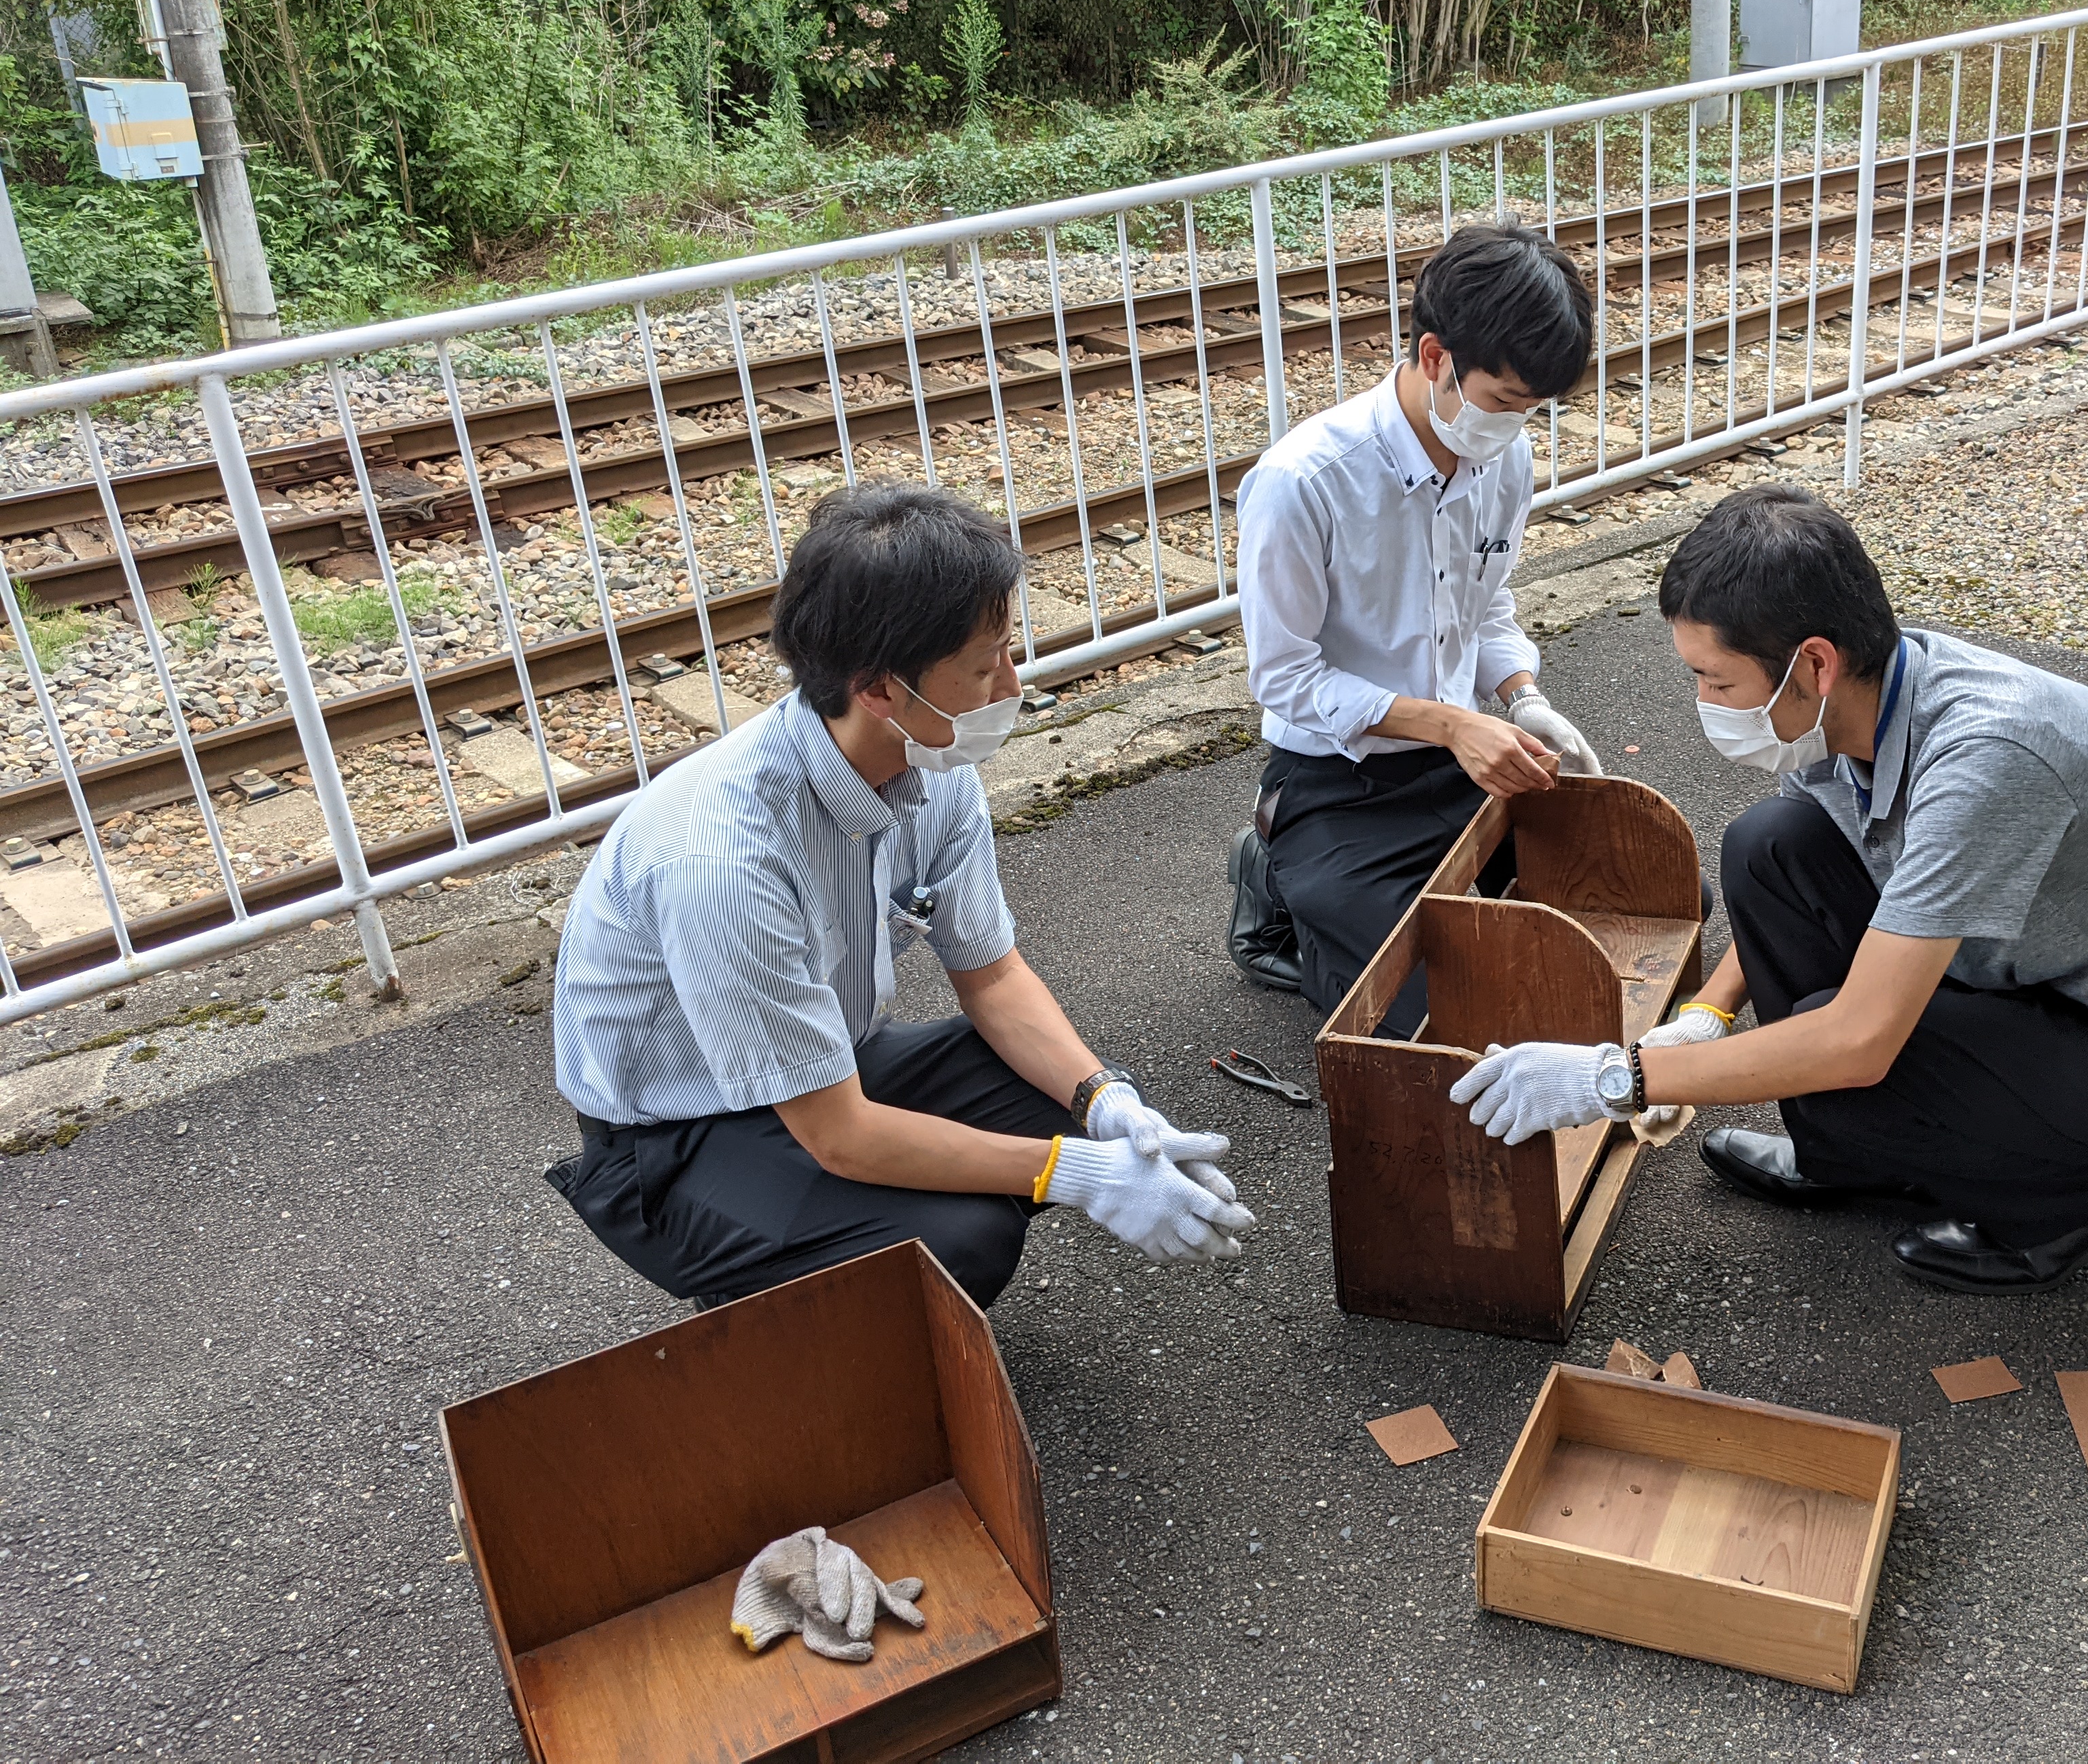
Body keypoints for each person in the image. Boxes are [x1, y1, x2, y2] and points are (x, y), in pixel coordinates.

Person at [1446, 484, 2088, 1294]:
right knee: (1771, 847)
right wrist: (1705, 1016)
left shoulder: (1990, 759)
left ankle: (2085, 1204)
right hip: (2033, 972)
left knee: (1841, 1046)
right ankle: (1865, 1154)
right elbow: (1801, 869)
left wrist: (1616, 1079)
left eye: (1718, 680)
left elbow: (1859, 1039)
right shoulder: (1871, 694)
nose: (1703, 702)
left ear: (1814, 663)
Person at [544, 483, 1254, 1312]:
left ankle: (846, 1257)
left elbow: (991, 976)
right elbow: (838, 1135)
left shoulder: (930, 766)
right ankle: (773, 1324)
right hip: (675, 1139)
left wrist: (1109, 1107)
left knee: (1055, 1103)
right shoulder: (721, 858)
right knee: (956, 1244)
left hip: (823, 1069)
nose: (1009, 686)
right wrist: (1078, 1178)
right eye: (985, 665)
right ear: (881, 690)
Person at [1226, 222, 1610, 1029]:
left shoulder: (1503, 456)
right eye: (1504, 401)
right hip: (1341, 783)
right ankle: (1277, 875)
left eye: (1534, 408)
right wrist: (1453, 726)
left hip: (1463, 761)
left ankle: (1363, 889)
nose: (1514, 426)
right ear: (1435, 357)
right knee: (1437, 1017)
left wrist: (1522, 697)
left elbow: (1486, 605)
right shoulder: (1304, 483)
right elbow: (1284, 678)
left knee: (1626, 907)